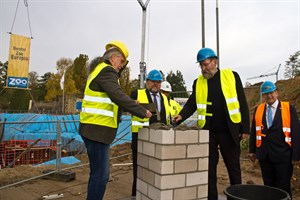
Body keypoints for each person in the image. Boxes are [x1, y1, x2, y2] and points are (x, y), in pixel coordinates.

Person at [173, 47, 250, 200]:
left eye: (206, 64)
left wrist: (246, 128)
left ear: (215, 62)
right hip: (209, 132)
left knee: (233, 169)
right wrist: (181, 116)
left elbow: (242, 102)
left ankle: (236, 197)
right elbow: (191, 103)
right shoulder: (198, 83)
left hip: (230, 130)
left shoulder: (232, 76)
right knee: (209, 170)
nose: (204, 68)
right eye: (201, 65)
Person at [79, 40, 152, 200]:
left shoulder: (99, 71)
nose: (122, 66)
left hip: (93, 129)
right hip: (97, 131)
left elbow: (112, 99)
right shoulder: (107, 71)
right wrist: (142, 111)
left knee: (97, 174)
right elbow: (117, 96)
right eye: (121, 62)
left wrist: (131, 104)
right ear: (113, 58)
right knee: (100, 176)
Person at [249, 81, 300, 198]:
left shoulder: (288, 109)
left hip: (283, 156)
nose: (269, 96)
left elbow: (296, 132)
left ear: (276, 93)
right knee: (269, 188)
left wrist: (296, 155)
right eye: (266, 93)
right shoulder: (259, 110)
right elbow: (254, 131)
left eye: (271, 92)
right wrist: (252, 150)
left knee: (283, 188)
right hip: (264, 156)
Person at [130, 69, 170, 197]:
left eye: (158, 82)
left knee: (156, 168)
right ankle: (136, 195)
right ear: (147, 82)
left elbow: (165, 116)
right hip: (140, 137)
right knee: (139, 170)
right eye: (152, 81)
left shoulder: (164, 98)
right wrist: (133, 105)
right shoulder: (136, 93)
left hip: (158, 138)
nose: (155, 84)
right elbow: (127, 107)